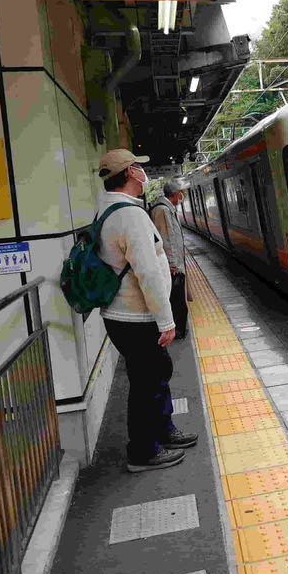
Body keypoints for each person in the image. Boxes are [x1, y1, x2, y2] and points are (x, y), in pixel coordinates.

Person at [96, 149, 198, 473]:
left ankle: (163, 431)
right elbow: (148, 272)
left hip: (124, 315)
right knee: (145, 383)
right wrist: (166, 320)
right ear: (129, 173)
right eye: (138, 166)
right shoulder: (130, 216)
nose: (143, 171)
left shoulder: (108, 211)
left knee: (156, 375)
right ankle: (143, 451)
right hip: (136, 317)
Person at [149, 179, 189, 340]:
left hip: (175, 265)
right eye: (182, 192)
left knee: (178, 300)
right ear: (175, 194)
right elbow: (165, 239)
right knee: (176, 301)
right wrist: (172, 265)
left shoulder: (167, 209)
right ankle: (177, 331)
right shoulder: (162, 210)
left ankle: (179, 329)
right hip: (173, 268)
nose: (183, 195)